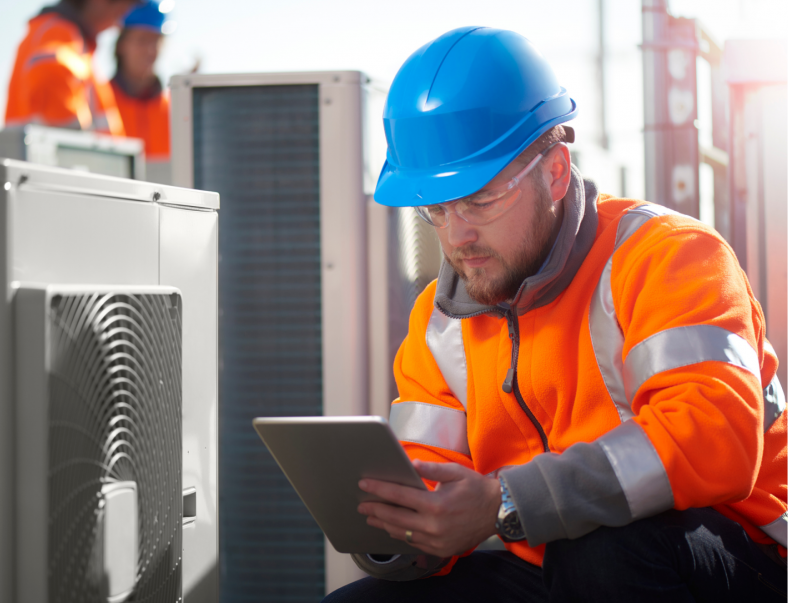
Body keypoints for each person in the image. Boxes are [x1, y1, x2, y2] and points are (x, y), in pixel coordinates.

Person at [325, 27, 788, 602]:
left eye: (480, 199)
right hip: (555, 566)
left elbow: (713, 439)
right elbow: (430, 477)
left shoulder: (668, 256)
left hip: (737, 558)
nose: (457, 234)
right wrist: (408, 532)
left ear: (555, 172)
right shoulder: (439, 323)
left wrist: (507, 502)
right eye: (438, 210)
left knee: (601, 550)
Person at [5, 0, 140, 135]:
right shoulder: (58, 32)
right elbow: (50, 75)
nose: (118, 23)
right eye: (121, 11)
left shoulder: (74, 38)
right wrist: (80, 146)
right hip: (53, 154)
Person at [110, 0, 171, 161]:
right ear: (121, 44)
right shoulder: (97, 101)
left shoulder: (174, 109)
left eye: (156, 41)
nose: (150, 50)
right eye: (142, 40)